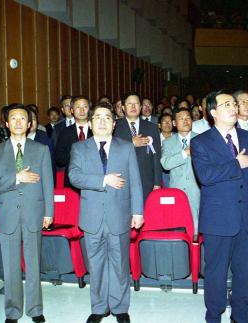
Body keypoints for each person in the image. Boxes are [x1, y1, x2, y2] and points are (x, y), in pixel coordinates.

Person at [191, 90, 248, 323]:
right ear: (213, 112)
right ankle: (214, 315)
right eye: (227, 105)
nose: (234, 108)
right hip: (218, 218)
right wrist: (236, 163)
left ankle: (242, 316)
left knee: (245, 272)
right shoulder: (200, 142)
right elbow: (205, 176)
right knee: (215, 272)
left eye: (234, 104)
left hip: (247, 215)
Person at [69, 102, 143, 323]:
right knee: (96, 264)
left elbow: (135, 182)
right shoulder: (79, 148)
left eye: (107, 118)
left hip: (119, 214)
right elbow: (73, 176)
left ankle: (120, 307)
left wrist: (138, 211)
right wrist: (103, 180)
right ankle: (99, 307)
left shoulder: (125, 147)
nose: (102, 121)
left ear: (113, 124)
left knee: (120, 264)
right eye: (98, 118)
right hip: (91, 217)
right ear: (90, 124)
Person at [0, 103, 54, 323]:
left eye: (23, 119)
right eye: (13, 119)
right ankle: (12, 311)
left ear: (30, 123)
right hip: (8, 216)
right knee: (11, 266)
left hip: (34, 213)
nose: (18, 123)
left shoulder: (40, 150)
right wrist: (16, 178)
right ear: (6, 123)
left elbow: (48, 184)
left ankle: (35, 309)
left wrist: (49, 212)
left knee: (33, 264)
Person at [113, 91, 161, 200]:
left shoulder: (152, 127)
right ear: (123, 108)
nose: (133, 106)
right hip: (121, 179)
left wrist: (157, 182)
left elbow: (156, 156)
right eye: (129, 104)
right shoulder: (114, 126)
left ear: (140, 107)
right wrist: (131, 143)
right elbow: (112, 151)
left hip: (146, 180)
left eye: (136, 103)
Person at [161, 108, 200, 234]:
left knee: (196, 228)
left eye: (188, 118)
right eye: (181, 118)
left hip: (197, 191)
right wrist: (185, 153)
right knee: (177, 227)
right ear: (174, 123)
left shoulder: (201, 140)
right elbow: (166, 164)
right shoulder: (167, 143)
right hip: (176, 191)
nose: (185, 121)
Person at [54, 96, 93, 188]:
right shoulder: (65, 132)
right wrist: (77, 155)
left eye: (85, 107)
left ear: (89, 110)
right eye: (78, 107)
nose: (82, 110)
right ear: (72, 110)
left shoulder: (96, 130)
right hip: (72, 180)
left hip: (94, 178)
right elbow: (59, 159)